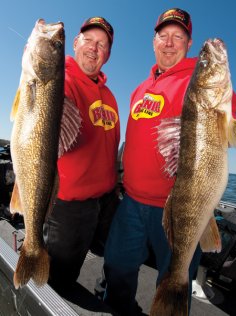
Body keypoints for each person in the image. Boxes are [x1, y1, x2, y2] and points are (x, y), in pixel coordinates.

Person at [102, 8, 236, 315]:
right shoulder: (139, 89)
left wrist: (219, 89)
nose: (169, 43)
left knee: (175, 275)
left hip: (178, 206)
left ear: (188, 44)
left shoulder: (196, 81)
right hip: (131, 202)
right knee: (116, 267)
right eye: (163, 36)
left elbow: (228, 115)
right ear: (153, 42)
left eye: (178, 36)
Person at [43, 17, 120, 292]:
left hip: (108, 199)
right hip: (69, 206)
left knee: (119, 255)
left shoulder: (110, 96)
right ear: (75, 43)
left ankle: (108, 290)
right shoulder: (60, 80)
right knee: (60, 278)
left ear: (108, 55)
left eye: (102, 44)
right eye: (88, 39)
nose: (93, 47)